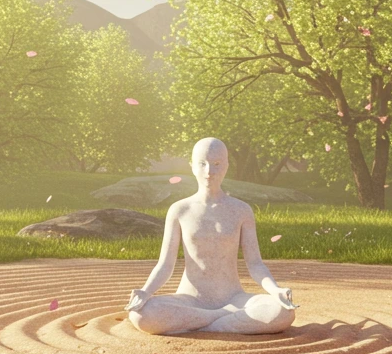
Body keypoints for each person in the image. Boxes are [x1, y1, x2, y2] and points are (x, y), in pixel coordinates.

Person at [125, 137, 297, 335]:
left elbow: (255, 263)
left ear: (226, 166)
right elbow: (165, 264)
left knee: (283, 311)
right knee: (142, 314)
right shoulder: (180, 210)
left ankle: (198, 324)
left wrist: (275, 290)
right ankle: (222, 320)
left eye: (216, 164)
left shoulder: (241, 210)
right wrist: (145, 292)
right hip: (190, 299)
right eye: (202, 163)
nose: (209, 172)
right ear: (191, 166)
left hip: (234, 299)